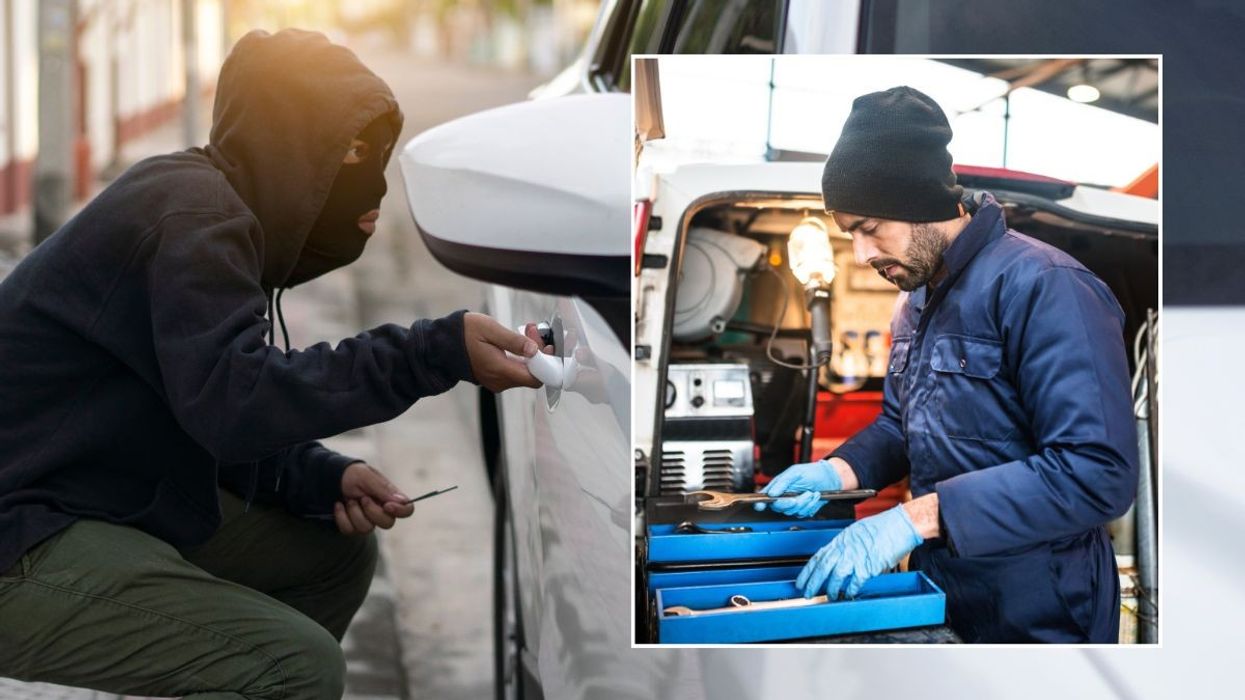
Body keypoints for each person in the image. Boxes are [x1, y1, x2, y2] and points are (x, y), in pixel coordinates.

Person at [0, 29, 542, 697]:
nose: (373, 183)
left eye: (378, 155)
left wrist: (313, 474)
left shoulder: (210, 207)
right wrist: (432, 352)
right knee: (296, 666)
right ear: (285, 146)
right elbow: (236, 404)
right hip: (22, 528)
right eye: (350, 151)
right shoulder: (193, 217)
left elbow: (201, 401)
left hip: (84, 489)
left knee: (333, 552)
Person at [757, 86, 1138, 643]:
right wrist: (840, 472)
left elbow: (1097, 471)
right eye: (849, 234)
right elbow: (902, 425)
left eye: (869, 227)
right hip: (944, 589)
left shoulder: (1046, 287)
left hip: (1042, 607)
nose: (861, 255)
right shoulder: (915, 301)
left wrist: (916, 518)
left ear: (922, 203)